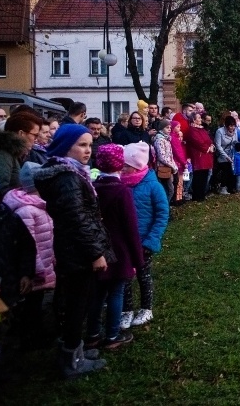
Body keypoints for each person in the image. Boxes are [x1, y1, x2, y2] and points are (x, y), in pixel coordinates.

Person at [33, 124, 111, 377]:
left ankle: (74, 349)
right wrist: (95, 253)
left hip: (74, 248)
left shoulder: (71, 172)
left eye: (90, 145)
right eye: (82, 145)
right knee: (77, 304)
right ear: (66, 146)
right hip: (77, 250)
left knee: (81, 300)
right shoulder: (66, 177)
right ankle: (71, 359)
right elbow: (76, 218)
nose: (88, 150)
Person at [86, 144, 143, 350]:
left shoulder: (91, 187)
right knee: (116, 293)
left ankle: (92, 333)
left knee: (97, 294)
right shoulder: (122, 191)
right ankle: (112, 335)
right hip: (119, 250)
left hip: (97, 249)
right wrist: (138, 259)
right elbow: (130, 227)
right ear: (120, 164)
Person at [2, 163, 55, 350]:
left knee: (37, 303)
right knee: (30, 307)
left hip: (43, 263)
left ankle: (35, 334)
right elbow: (30, 245)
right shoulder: (26, 210)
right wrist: (37, 270)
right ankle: (30, 339)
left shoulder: (39, 204)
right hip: (34, 270)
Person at [119, 142, 169, 330]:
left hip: (144, 242)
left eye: (126, 165)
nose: (123, 168)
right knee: (124, 277)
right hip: (124, 242)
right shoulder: (121, 184)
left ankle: (146, 308)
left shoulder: (153, 186)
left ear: (138, 164)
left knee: (143, 276)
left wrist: (151, 240)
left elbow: (162, 214)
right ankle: (126, 310)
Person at [0, 175, 36, 374]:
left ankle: (8, 364)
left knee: (8, 324)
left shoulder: (9, 217)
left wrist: (26, 273)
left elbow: (27, 246)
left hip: (9, 283)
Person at [0, 116, 32, 195]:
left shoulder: (11, 151)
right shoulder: (3, 153)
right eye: (35, 135)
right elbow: (1, 185)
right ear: (21, 133)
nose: (36, 138)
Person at [184, 113, 214, 202]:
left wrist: (211, 145)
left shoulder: (202, 129)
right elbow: (198, 142)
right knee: (199, 176)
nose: (201, 119)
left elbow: (208, 139)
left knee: (204, 175)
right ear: (194, 120)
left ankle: (202, 194)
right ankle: (197, 196)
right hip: (199, 156)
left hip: (206, 155)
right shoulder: (192, 130)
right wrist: (208, 148)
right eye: (199, 118)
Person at [152, 119, 177, 204]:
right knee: (169, 190)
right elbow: (162, 156)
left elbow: (170, 155)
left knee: (170, 189)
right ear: (161, 129)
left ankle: (166, 208)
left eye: (170, 127)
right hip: (162, 167)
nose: (169, 129)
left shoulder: (166, 139)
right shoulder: (160, 140)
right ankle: (164, 208)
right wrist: (173, 166)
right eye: (167, 127)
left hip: (167, 167)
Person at [214, 116, 238, 195]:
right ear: (227, 125)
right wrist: (225, 156)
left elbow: (235, 142)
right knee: (226, 169)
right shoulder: (219, 132)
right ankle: (222, 187)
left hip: (231, 153)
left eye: (234, 125)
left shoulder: (235, 132)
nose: (232, 127)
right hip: (222, 154)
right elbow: (218, 146)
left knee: (232, 170)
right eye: (230, 126)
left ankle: (231, 187)